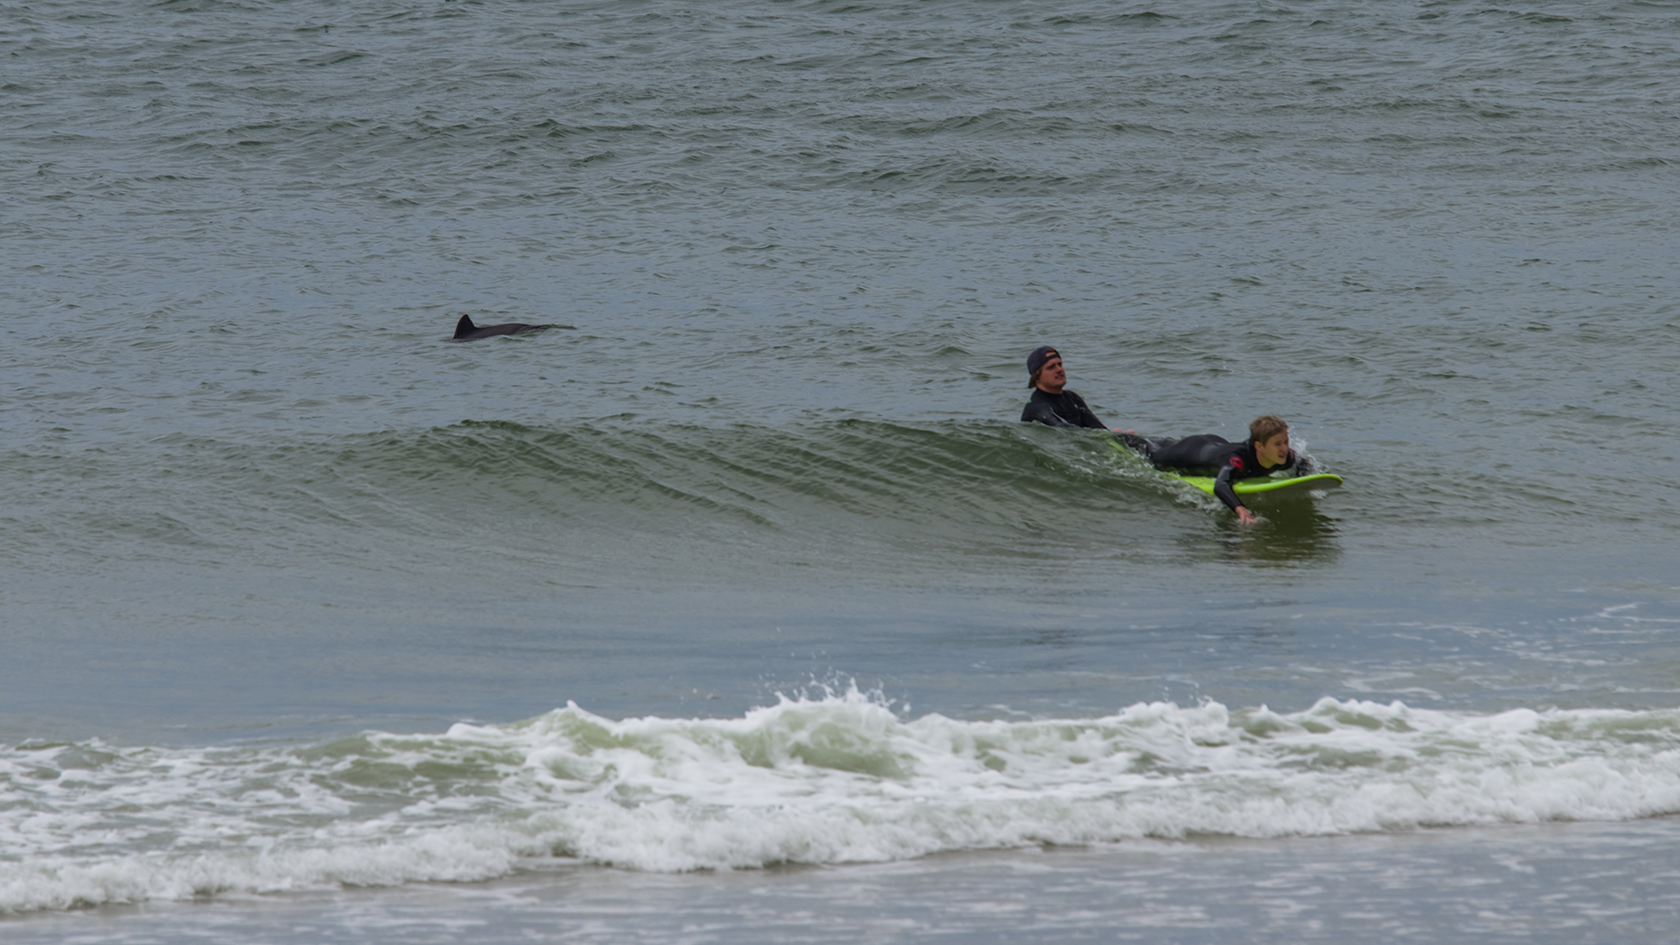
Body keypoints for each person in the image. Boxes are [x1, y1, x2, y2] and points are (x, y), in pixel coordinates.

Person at [1143, 414, 1317, 525]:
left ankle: (1146, 438)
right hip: (1192, 453)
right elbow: (1220, 485)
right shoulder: (1238, 461)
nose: (1284, 448)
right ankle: (1125, 436)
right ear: (1260, 446)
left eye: (1285, 442)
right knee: (1153, 456)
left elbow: (1302, 462)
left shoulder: (1284, 457)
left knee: (1165, 445)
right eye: (1278, 444)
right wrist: (1240, 509)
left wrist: (1305, 481)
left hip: (1215, 443)